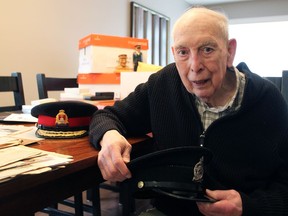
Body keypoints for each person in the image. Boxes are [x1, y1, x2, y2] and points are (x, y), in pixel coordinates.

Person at [89, 6, 288, 216]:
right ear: (174, 54)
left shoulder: (267, 101)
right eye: (183, 52)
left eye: (207, 50)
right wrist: (109, 136)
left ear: (230, 51)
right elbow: (107, 116)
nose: (194, 66)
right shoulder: (162, 84)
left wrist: (247, 207)